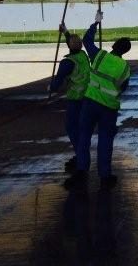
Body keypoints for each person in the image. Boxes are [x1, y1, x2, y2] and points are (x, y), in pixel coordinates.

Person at [65, 11, 131, 190]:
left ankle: (81, 171)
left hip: (90, 103)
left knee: (84, 137)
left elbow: (86, 41)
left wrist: (96, 23)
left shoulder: (100, 56)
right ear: (126, 51)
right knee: (105, 141)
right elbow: (123, 88)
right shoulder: (125, 67)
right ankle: (105, 176)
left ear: (114, 45)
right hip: (109, 109)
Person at [50, 24, 90, 172]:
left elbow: (58, 80)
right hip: (86, 97)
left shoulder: (68, 62)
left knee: (72, 129)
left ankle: (80, 157)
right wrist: (66, 32)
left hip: (75, 99)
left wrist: (51, 88)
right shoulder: (83, 56)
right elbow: (72, 43)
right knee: (82, 128)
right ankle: (80, 155)